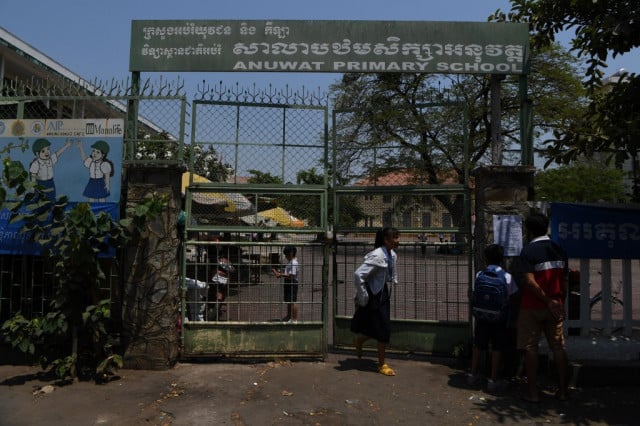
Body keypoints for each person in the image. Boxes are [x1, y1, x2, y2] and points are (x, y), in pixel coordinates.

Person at [518, 212, 569, 403]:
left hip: (533, 305)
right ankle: (563, 391)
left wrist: (547, 300)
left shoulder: (528, 251)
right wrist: (558, 301)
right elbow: (564, 280)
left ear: (529, 230)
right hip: (555, 305)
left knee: (531, 348)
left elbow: (530, 282)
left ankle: (533, 393)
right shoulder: (558, 249)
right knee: (558, 347)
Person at [468, 244, 518, 391]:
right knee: (497, 348)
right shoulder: (507, 277)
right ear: (502, 259)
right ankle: (493, 379)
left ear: (486, 259)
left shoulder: (479, 274)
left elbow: (474, 293)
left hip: (482, 317)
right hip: (499, 319)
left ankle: (472, 375)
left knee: (478, 345)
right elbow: (513, 296)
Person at [351, 227, 399, 376]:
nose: (397, 240)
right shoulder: (377, 255)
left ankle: (359, 341)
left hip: (382, 292)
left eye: (398, 237)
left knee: (376, 327)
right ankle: (382, 364)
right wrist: (364, 295)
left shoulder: (392, 254)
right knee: (384, 329)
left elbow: (389, 273)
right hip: (374, 295)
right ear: (386, 240)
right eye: (394, 237)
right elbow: (359, 274)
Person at [272, 245, 299, 322]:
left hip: (292, 282)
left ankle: (294, 319)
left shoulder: (293, 263)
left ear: (291, 253)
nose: (286, 256)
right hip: (288, 282)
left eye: (286, 254)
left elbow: (291, 275)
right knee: (289, 300)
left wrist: (280, 274)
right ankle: (288, 316)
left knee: (293, 301)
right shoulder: (290, 262)